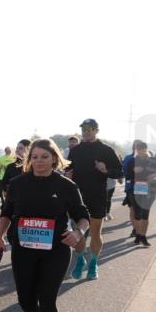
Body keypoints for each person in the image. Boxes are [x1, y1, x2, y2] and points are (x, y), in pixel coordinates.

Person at [0, 139, 89, 312]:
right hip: (23, 250)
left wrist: (79, 232)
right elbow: (7, 213)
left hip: (55, 250)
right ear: (29, 160)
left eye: (44, 157)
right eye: (35, 157)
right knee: (25, 301)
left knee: (48, 299)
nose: (39, 161)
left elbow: (82, 215)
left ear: (54, 159)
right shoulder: (18, 184)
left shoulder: (67, 186)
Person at [63, 120, 122, 280]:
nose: (86, 132)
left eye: (90, 129)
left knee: (96, 233)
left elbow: (119, 172)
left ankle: (94, 263)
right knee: (79, 233)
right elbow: (68, 169)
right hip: (78, 198)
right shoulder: (75, 151)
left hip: (97, 196)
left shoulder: (106, 150)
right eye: (83, 129)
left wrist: (106, 169)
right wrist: (67, 174)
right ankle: (80, 260)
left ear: (96, 131)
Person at [126, 140, 156, 246]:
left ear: (146, 149)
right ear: (136, 150)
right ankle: (138, 235)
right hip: (136, 189)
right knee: (138, 214)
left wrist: (155, 175)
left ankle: (143, 236)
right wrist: (134, 172)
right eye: (138, 149)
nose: (141, 151)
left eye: (143, 148)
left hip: (150, 190)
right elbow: (127, 176)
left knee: (145, 214)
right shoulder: (132, 161)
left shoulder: (153, 160)